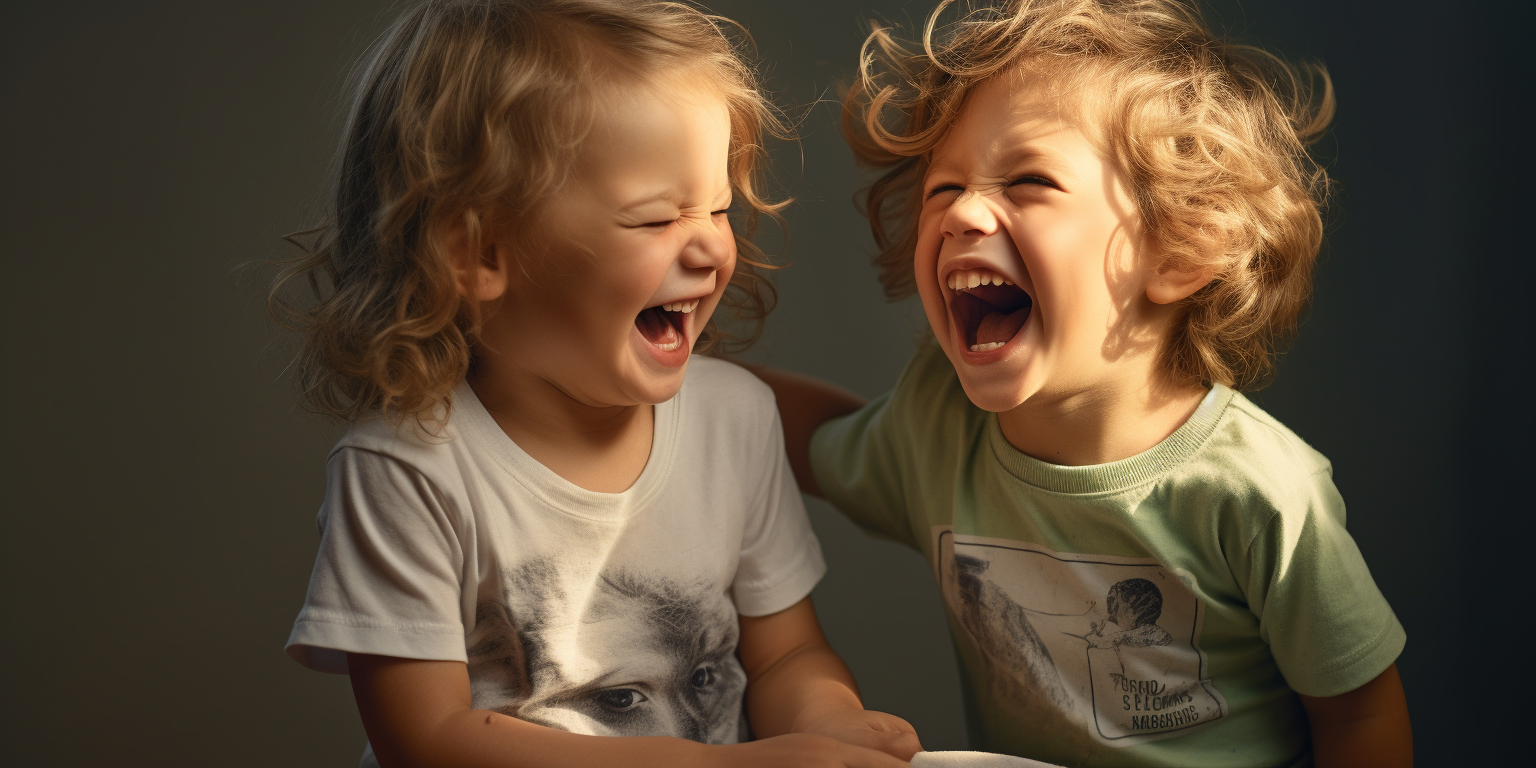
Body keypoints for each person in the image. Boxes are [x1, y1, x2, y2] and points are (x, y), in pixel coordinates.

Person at [752, 1, 1412, 765]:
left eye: (1028, 180)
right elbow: (791, 439)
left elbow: (1361, 717)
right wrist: (675, 389)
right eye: (943, 187)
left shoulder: (1261, 494)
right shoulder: (933, 422)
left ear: (1179, 253)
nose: (964, 210)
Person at [273, 2, 919, 767]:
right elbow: (429, 740)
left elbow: (785, 655)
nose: (714, 245)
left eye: (718, 207)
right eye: (654, 221)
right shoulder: (407, 471)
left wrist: (825, 719)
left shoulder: (736, 421)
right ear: (481, 253)